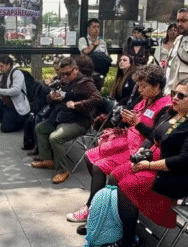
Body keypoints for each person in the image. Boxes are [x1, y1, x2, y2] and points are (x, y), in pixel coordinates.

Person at [99, 79, 188, 247]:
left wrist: (147, 165)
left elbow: (182, 162)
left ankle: (128, 243)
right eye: (173, 93)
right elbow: (154, 136)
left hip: (176, 176)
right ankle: (119, 224)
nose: (174, 98)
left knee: (127, 186)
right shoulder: (172, 113)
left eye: (181, 96)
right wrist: (142, 149)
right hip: (156, 163)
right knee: (115, 175)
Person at [67, 64, 171, 223]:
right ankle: (103, 199)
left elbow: (156, 138)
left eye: (143, 86)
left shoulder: (165, 107)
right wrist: (125, 118)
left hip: (141, 151)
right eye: (138, 86)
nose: (140, 90)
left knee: (99, 167)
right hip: (127, 141)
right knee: (89, 156)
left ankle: (93, 207)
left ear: (156, 86)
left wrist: (137, 123)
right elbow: (131, 116)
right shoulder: (143, 99)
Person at [32, 56, 102, 184]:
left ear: (76, 69)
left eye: (67, 74)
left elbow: (98, 99)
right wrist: (52, 97)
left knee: (55, 138)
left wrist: (76, 105)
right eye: (61, 74)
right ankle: (47, 159)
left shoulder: (86, 83)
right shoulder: (65, 81)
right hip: (63, 117)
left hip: (79, 121)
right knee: (40, 128)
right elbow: (52, 98)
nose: (64, 77)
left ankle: (62, 170)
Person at [0, 54, 29, 132]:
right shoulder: (2, 74)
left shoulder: (17, 73)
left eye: (2, 66)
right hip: (5, 103)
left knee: (5, 129)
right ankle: (6, 119)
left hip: (15, 106)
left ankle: (20, 123)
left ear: (8, 64)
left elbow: (16, 90)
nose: (0, 68)